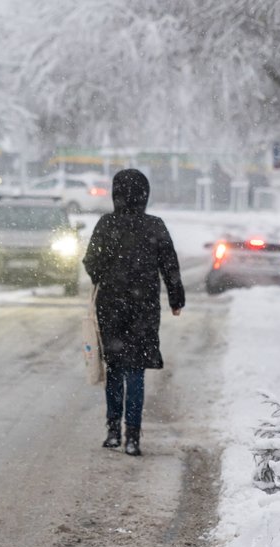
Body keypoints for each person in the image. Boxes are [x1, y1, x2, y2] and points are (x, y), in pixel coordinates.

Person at [82, 169, 185, 456]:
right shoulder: (155, 226)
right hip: (144, 308)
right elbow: (170, 266)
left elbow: (91, 263)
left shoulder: (106, 224)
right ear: (145, 195)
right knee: (136, 370)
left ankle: (113, 430)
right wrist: (176, 299)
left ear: (116, 194)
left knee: (114, 367)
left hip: (111, 306)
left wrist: (106, 275)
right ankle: (133, 436)